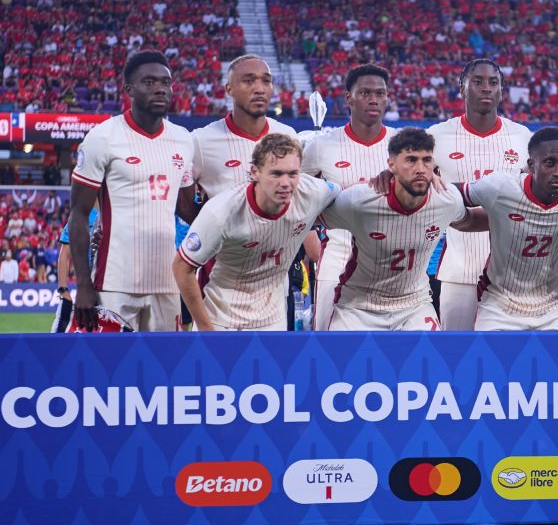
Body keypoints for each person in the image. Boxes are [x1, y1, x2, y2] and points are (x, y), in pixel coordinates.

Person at [69, 50, 197, 331]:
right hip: (114, 283)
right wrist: (82, 285)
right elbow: (78, 214)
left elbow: (188, 210)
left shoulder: (184, 140)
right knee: (110, 371)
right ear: (128, 89)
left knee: (166, 372)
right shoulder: (103, 137)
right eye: (149, 82)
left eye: (165, 82)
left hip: (167, 283)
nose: (160, 88)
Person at [320, 128, 484, 331]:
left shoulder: (446, 199)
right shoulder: (360, 201)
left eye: (427, 160)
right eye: (411, 160)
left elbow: (468, 221)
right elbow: (314, 217)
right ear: (391, 164)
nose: (421, 169)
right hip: (359, 307)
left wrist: (518, 217)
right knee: (344, 362)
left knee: (432, 361)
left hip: (415, 305)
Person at [173, 133, 339, 331]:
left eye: (293, 174)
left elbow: (349, 198)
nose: (285, 182)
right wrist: (206, 329)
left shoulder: (314, 192)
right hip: (222, 321)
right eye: (276, 174)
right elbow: (182, 267)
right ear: (254, 172)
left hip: (273, 321)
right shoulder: (221, 212)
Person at [464, 127, 558, 331]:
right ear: (531, 165)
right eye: (550, 163)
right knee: (492, 362)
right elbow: (452, 196)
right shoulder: (501, 187)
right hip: (499, 305)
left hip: (551, 307)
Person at [428, 58, 531, 330]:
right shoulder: (437, 136)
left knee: (504, 361)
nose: (486, 88)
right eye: (477, 81)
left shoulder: (522, 137)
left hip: (509, 275)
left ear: (501, 90)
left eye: (493, 82)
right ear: (462, 88)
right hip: (457, 271)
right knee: (455, 359)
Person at [301, 64, 395, 330]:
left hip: (392, 268)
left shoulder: (401, 146)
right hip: (337, 260)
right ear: (348, 98)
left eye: (380, 93)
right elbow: (299, 200)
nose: (374, 99)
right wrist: (311, 236)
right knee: (329, 346)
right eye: (365, 93)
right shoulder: (320, 147)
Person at [190, 54, 299, 203]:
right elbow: (183, 202)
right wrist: (210, 225)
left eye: (266, 81)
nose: (260, 89)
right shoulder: (200, 141)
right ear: (229, 89)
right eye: (249, 81)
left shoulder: (288, 135)